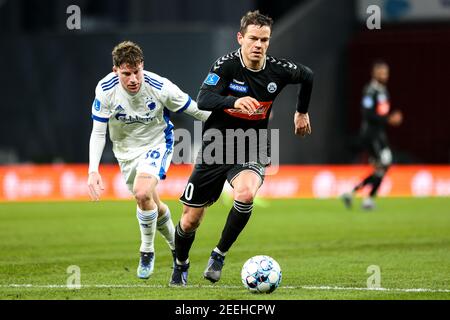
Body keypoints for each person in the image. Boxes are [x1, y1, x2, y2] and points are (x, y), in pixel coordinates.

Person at [169, 10, 314, 286]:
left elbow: (307, 76)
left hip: (253, 146)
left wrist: (302, 112)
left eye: (264, 39)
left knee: (245, 194)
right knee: (190, 221)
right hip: (216, 146)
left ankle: (219, 255)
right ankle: (180, 264)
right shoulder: (226, 66)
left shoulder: (278, 70)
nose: (258, 45)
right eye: (253, 39)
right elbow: (203, 99)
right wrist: (233, 102)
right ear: (240, 38)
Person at [87, 41, 210, 279]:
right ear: (116, 71)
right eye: (126, 74)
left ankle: (147, 250)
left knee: (142, 193)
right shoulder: (105, 89)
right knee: (152, 203)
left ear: (142, 66)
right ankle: (177, 247)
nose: (133, 79)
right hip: (125, 152)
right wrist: (93, 170)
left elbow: (196, 110)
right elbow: (99, 131)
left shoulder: (160, 86)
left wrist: (235, 117)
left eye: (136, 72)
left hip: (157, 144)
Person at [342, 60, 402, 210]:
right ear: (374, 73)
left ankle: (352, 193)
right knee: (384, 164)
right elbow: (367, 113)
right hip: (370, 135)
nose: (384, 75)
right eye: (381, 72)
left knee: (382, 167)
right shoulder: (370, 91)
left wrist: (389, 118)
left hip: (379, 134)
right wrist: (389, 119)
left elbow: (381, 113)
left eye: (386, 72)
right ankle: (367, 199)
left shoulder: (383, 91)